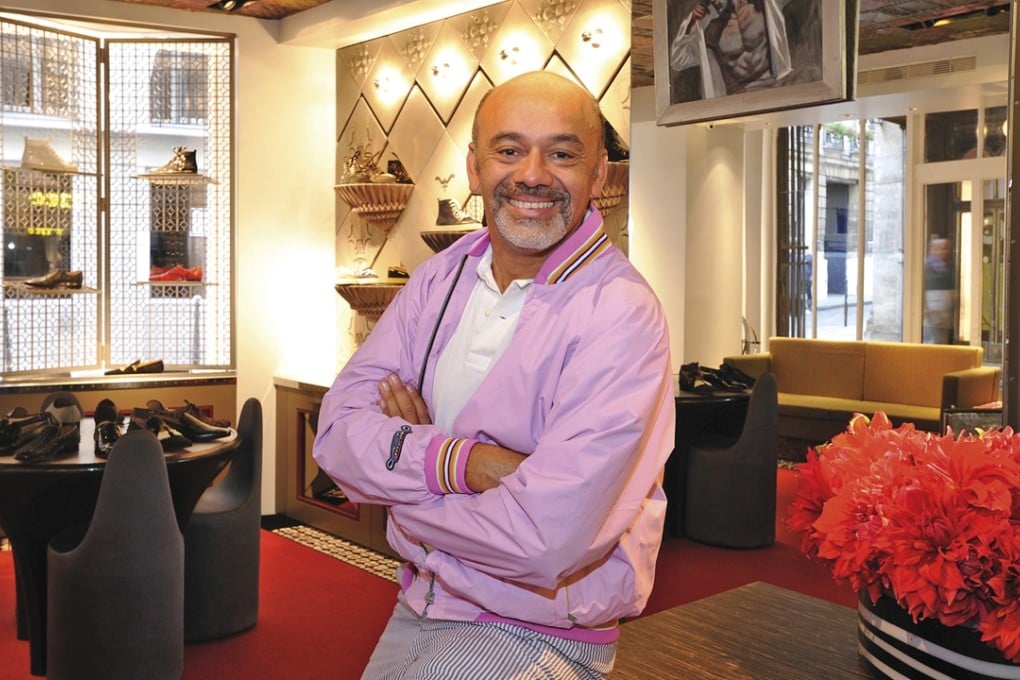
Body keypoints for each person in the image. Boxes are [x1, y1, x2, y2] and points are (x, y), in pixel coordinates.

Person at [312, 71, 675, 679]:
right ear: (475, 169)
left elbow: (545, 539)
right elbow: (336, 436)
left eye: (562, 154)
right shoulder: (439, 276)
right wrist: (467, 465)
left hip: (536, 632)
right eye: (508, 150)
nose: (532, 174)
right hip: (421, 598)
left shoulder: (620, 312)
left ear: (598, 176)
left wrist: (399, 492)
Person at [670, 0, 792, 99]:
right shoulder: (709, 24)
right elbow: (678, 60)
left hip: (774, 88)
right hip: (735, 99)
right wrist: (690, 24)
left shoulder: (764, 4)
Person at [923, 237, 955, 344]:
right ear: (932, 250)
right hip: (931, 316)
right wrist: (926, 308)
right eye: (941, 249)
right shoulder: (926, 268)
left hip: (943, 317)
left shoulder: (947, 268)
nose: (944, 252)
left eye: (947, 249)